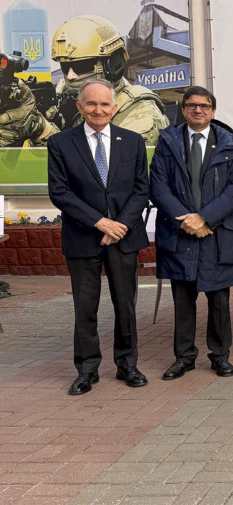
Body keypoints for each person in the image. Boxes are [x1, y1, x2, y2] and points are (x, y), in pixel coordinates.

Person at [47, 78, 150, 395]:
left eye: (105, 104)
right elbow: (60, 192)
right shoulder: (61, 143)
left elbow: (141, 189)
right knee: (85, 307)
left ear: (114, 107)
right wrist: (100, 223)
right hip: (83, 237)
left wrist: (119, 225)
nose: (98, 109)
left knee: (125, 305)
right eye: (91, 103)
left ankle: (127, 365)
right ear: (80, 107)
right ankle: (87, 370)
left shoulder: (132, 141)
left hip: (123, 237)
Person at [150, 86, 233, 381]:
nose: (198, 110)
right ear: (183, 110)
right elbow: (158, 186)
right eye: (192, 105)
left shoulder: (230, 143)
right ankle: (184, 358)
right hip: (179, 232)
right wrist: (185, 220)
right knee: (183, 300)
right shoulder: (167, 141)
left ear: (213, 111)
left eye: (204, 106)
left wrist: (205, 218)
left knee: (219, 301)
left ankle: (220, 356)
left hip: (216, 234)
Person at [2, 14, 169, 147]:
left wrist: (43, 130)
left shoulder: (142, 113)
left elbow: (106, 171)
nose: (71, 76)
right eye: (65, 67)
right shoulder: (65, 97)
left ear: (113, 64)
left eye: (81, 66)